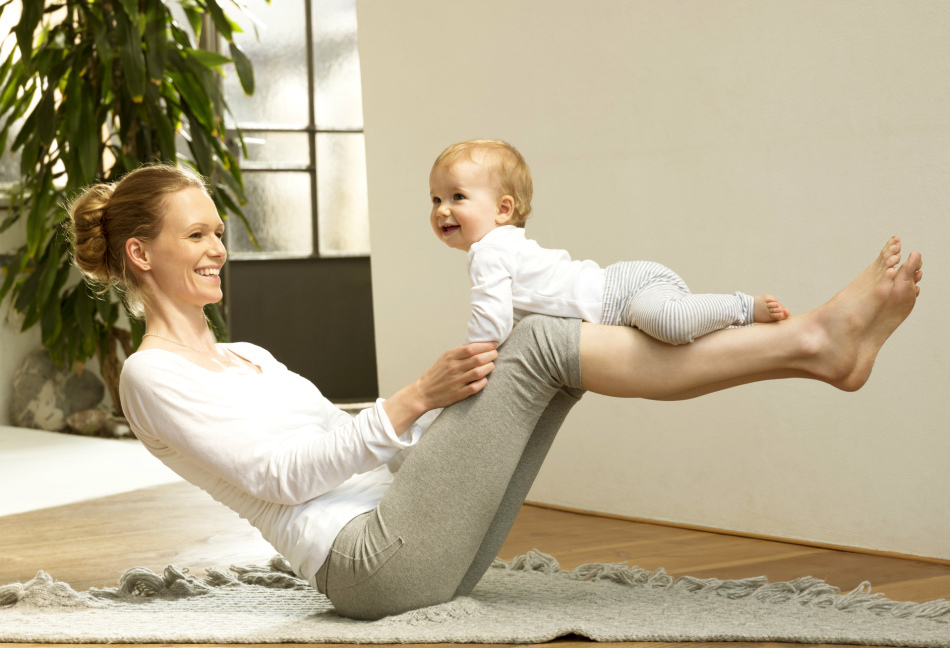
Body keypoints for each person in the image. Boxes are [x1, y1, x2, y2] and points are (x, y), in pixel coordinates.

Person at [69, 163, 921, 621]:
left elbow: (356, 443)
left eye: (220, 232)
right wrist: (410, 400)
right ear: (142, 255)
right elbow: (285, 478)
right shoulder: (152, 377)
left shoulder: (248, 355)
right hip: (371, 568)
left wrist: (429, 406)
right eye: (197, 235)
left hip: (419, 537)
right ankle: (811, 340)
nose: (218, 248)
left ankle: (813, 352)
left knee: (548, 352)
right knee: (545, 340)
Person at [430, 139, 791, 346]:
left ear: (503, 209)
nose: (442, 210)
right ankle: (726, 321)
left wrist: (471, 356)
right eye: (436, 200)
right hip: (625, 290)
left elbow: (491, 324)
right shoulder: (504, 246)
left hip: (623, 293)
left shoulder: (488, 252)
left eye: (457, 197)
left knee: (672, 325)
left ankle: (743, 307)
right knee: (674, 340)